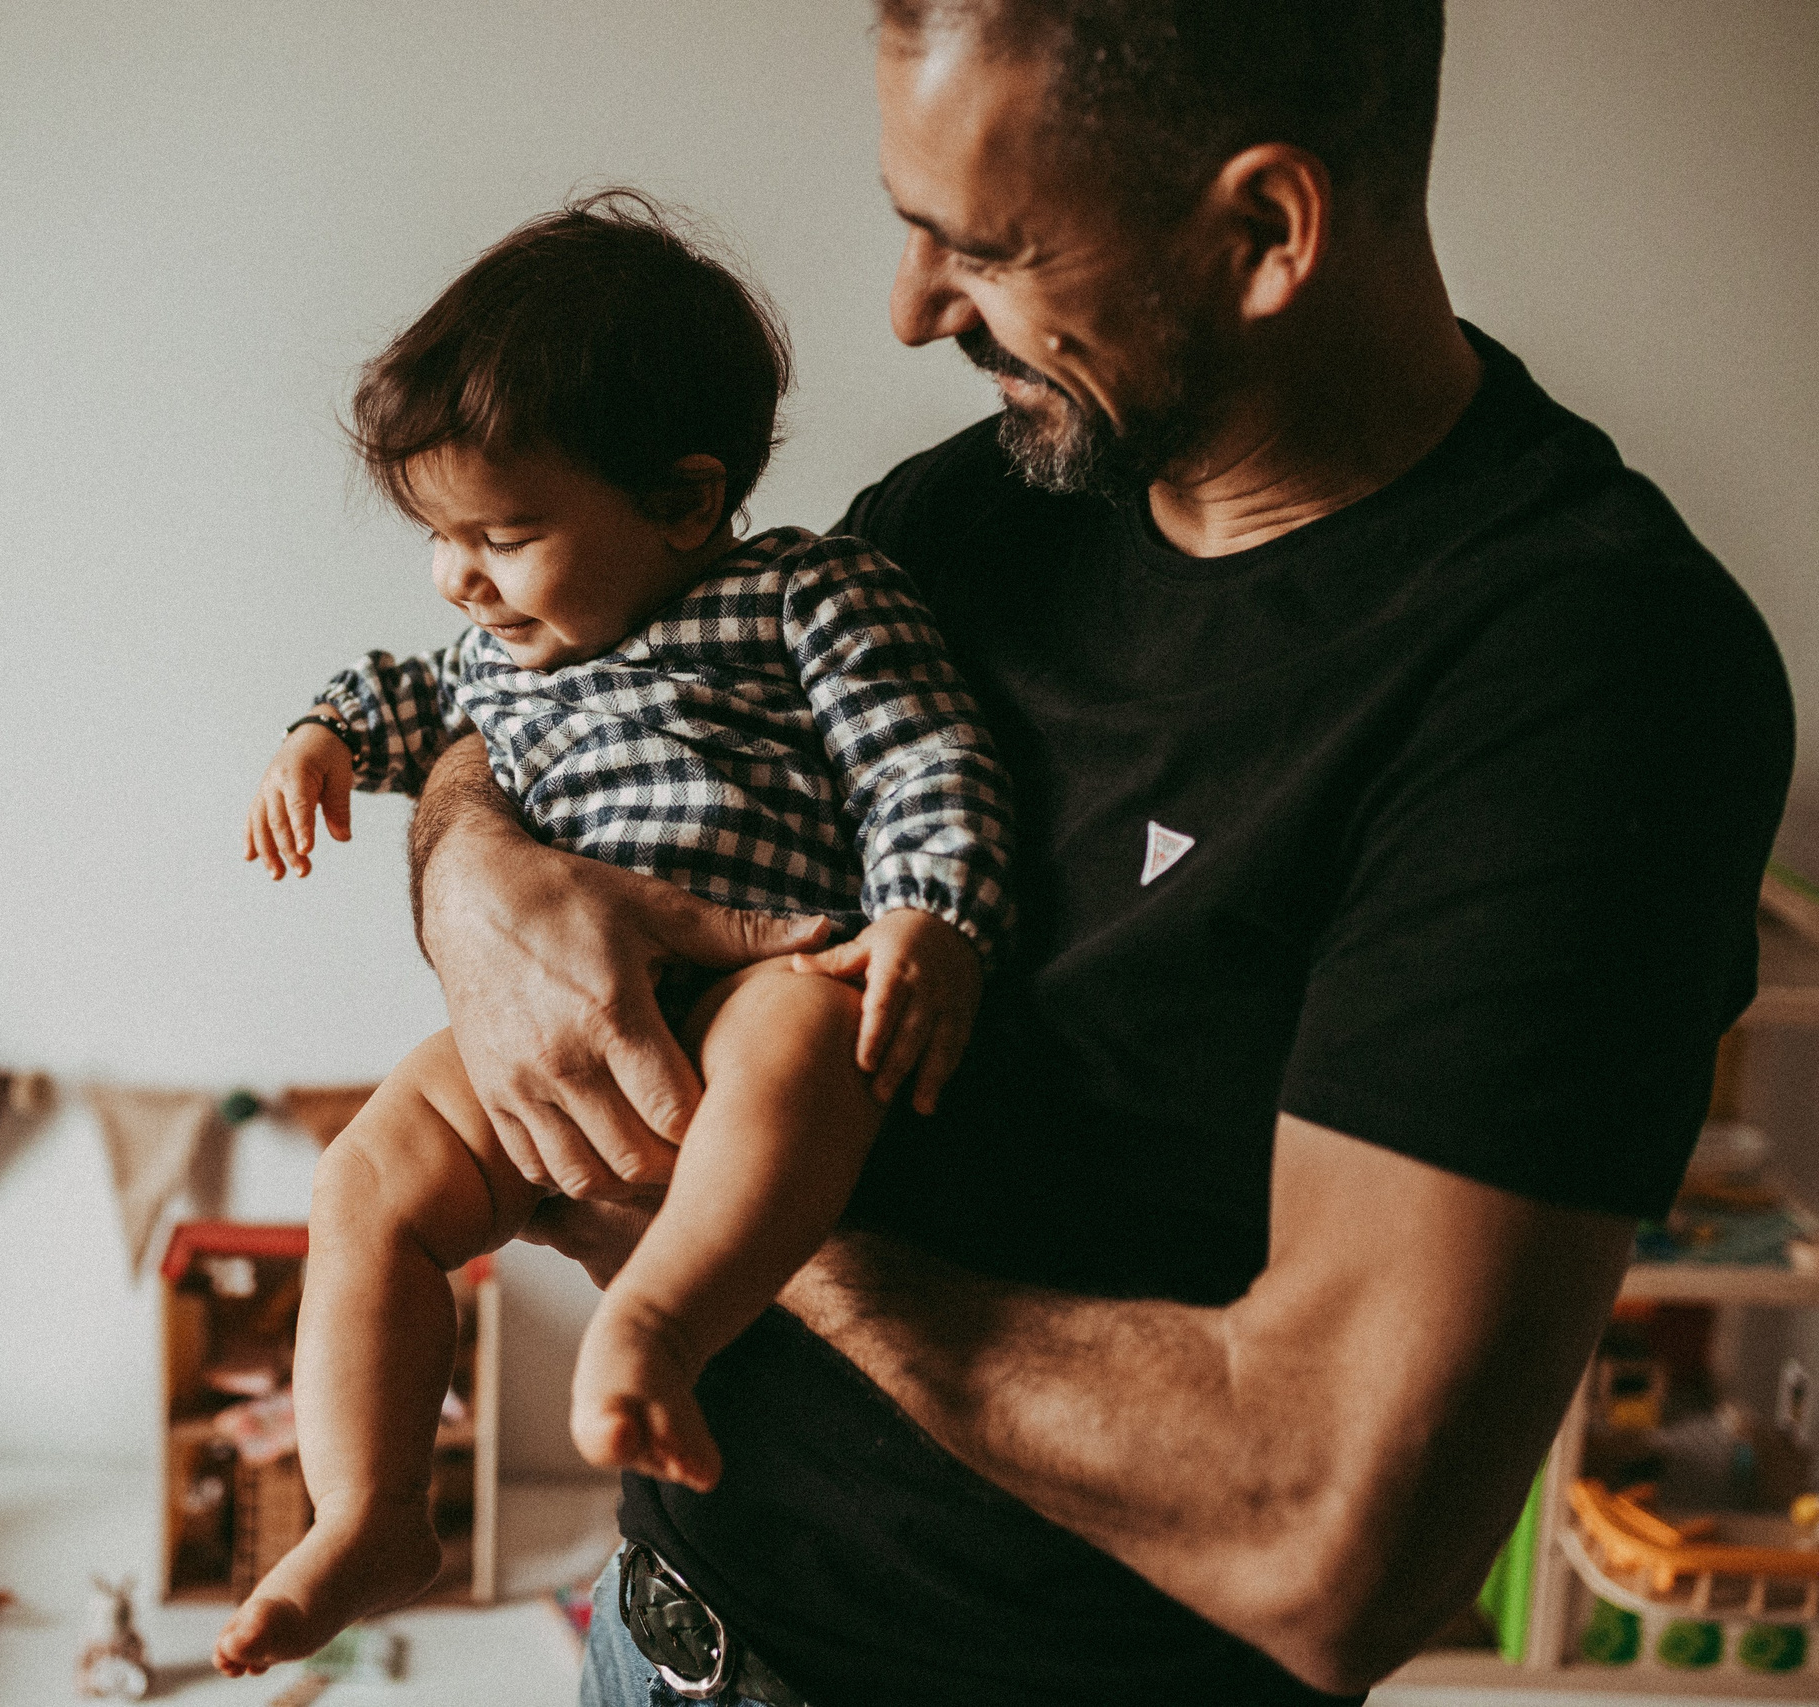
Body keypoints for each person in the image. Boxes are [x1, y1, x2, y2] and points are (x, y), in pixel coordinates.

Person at [406, 4, 1798, 1704]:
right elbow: (596, 678)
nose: (910, 311)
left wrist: (727, 1224)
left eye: (978, 248)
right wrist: (474, 874)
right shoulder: (979, 507)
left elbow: (1331, 1532)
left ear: (1266, 231)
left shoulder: (1588, 678)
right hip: (655, 1639)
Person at [216, 194, 1014, 1678]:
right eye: (439, 537)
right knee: (367, 1180)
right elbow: (404, 690)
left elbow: (921, 756)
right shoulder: (493, 654)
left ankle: (654, 1322)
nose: (460, 577)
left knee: (802, 1036)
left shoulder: (804, 596)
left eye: (502, 536)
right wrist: (319, 740)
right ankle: (372, 1509)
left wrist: (928, 912)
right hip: (541, 1030)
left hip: (759, 974)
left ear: (683, 501)